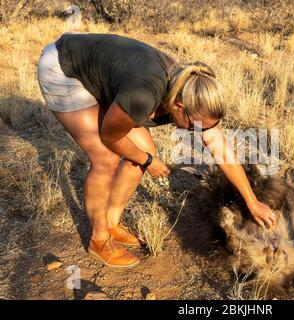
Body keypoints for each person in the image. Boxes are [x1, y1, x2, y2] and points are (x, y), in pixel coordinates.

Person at [37, 33, 276, 268]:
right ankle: (99, 239)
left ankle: (111, 222)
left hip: (105, 74)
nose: (197, 133)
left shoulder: (191, 93)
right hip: (63, 68)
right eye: (195, 127)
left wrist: (252, 201)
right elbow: (110, 137)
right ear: (179, 106)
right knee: (105, 158)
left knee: (143, 147)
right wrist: (149, 161)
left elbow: (221, 150)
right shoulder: (144, 94)